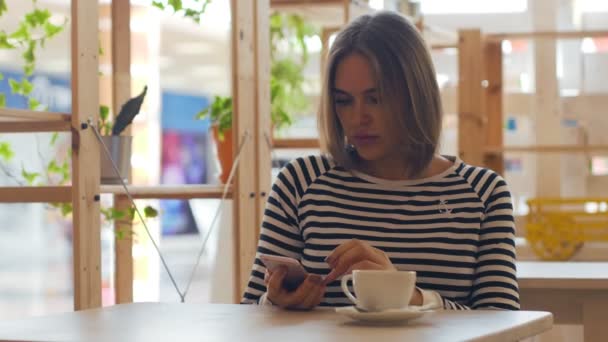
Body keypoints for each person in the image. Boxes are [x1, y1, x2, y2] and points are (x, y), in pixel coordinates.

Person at [241, 10, 519, 311]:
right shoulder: (299, 182)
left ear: (417, 94)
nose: (358, 118)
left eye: (377, 98)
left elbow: (503, 327)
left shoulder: (484, 193)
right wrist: (273, 303)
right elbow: (248, 314)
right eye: (344, 101)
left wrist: (407, 296)